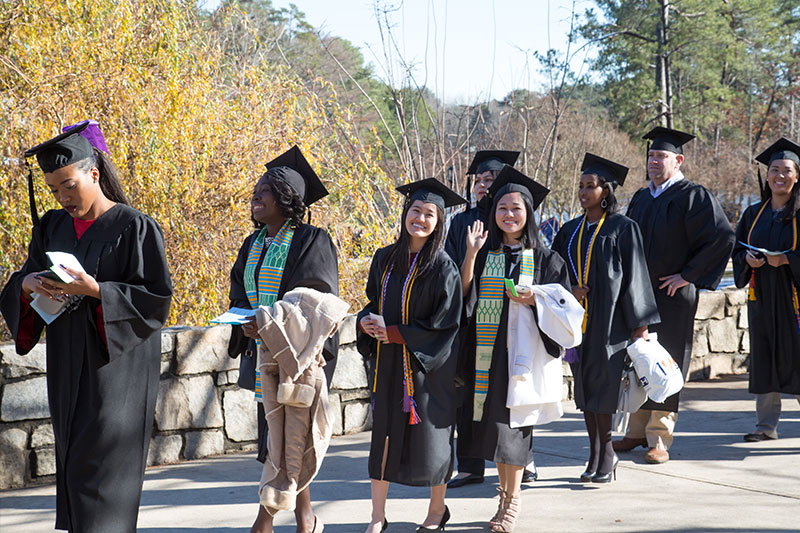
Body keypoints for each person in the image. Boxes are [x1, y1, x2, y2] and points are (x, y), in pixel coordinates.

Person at [0, 120, 172, 532]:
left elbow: (155, 300)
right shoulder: (52, 227)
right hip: (66, 363)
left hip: (114, 372)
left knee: (103, 474)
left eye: (68, 185)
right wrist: (26, 284)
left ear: (93, 173)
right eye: (54, 190)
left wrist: (97, 290)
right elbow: (25, 280)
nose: (62, 198)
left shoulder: (134, 227)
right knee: (75, 464)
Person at [226, 146, 339, 533]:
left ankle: (266, 521)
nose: (255, 197)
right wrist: (244, 319)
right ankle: (305, 518)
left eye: (264, 191)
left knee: (291, 437)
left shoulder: (312, 240)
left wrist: (272, 323)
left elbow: (316, 299)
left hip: (296, 358)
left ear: (287, 199)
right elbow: (239, 291)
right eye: (255, 191)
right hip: (261, 356)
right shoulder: (252, 243)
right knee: (281, 440)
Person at [459, 167, 575, 532]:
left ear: (528, 213)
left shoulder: (545, 259)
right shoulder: (485, 254)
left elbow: (567, 311)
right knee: (496, 433)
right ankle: (504, 496)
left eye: (516, 208)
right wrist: (471, 255)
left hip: (523, 358)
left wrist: (534, 298)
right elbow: (464, 298)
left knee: (515, 433)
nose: (509, 215)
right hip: (487, 356)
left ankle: (511, 503)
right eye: (502, 208)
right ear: (493, 213)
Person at [614, 126, 735, 464]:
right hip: (639, 294)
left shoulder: (693, 196)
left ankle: (659, 437)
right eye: (651, 155)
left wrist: (688, 276)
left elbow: (722, 237)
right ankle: (636, 430)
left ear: (678, 159)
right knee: (638, 358)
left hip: (672, 295)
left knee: (667, 362)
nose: (654, 161)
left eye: (661, 156)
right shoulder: (640, 197)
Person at [357, 178, 465, 533]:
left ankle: (436, 512)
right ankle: (377, 515)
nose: (420, 218)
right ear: (405, 212)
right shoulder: (385, 258)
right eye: (415, 210)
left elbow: (445, 325)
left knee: (433, 440)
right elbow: (375, 301)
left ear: (439, 222)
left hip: (427, 370)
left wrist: (395, 333)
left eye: (429, 214)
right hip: (389, 365)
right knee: (383, 437)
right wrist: (365, 323)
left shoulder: (443, 266)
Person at [552, 153, 660, 483]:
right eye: (581, 186)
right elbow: (554, 271)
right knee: (585, 392)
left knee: (605, 390)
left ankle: (607, 451)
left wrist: (639, 325)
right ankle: (595, 453)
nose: (583, 192)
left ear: (606, 191)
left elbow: (636, 277)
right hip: (577, 323)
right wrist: (569, 289)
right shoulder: (569, 231)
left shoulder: (623, 228)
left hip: (610, 324)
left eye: (591, 186)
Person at [444, 150, 532, 489]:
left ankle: (524, 461)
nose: (482, 186)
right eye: (478, 181)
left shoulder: (513, 223)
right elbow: (454, 274)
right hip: (472, 321)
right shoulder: (462, 223)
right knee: (468, 396)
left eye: (490, 181)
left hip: (512, 323)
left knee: (515, 394)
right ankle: (469, 464)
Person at [732, 137, 800, 442]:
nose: (779, 176)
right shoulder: (753, 214)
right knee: (765, 359)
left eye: (787, 170)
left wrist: (785, 259)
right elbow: (737, 250)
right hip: (762, 299)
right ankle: (765, 426)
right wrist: (748, 261)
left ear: (797, 176)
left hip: (794, 300)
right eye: (774, 170)